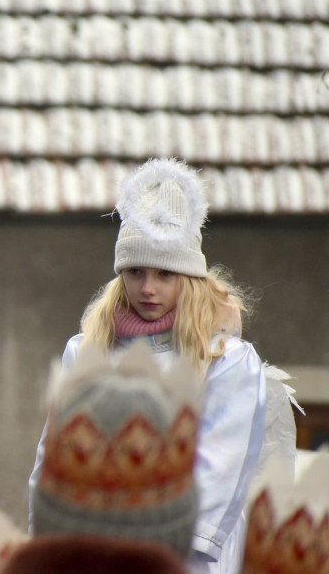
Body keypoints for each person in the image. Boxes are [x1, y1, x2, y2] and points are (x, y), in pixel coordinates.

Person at [29, 158, 270, 574]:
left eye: (164, 273)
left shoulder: (226, 361)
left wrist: (153, 550)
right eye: (135, 271)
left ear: (189, 277)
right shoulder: (86, 352)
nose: (148, 288)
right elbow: (54, 456)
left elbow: (220, 468)